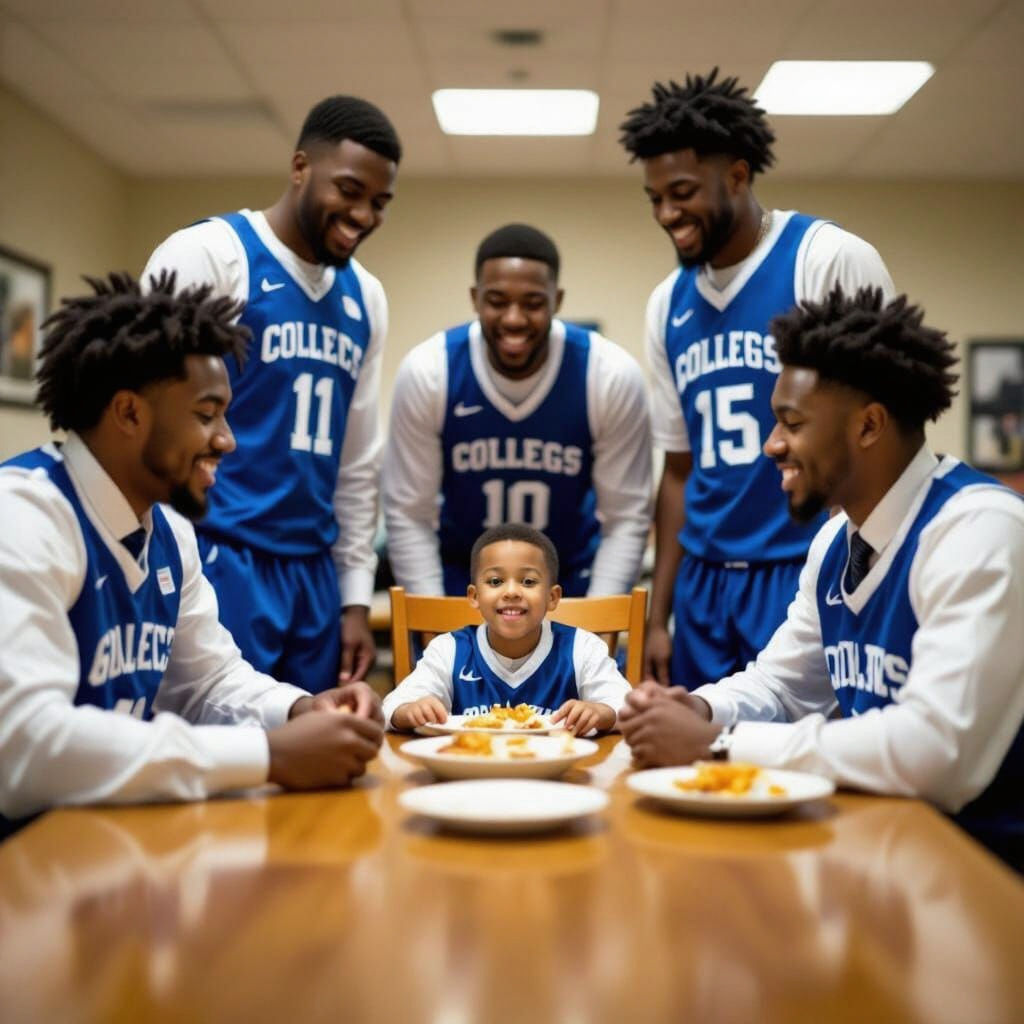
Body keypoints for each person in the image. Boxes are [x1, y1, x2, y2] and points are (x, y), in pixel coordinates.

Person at [620, 286, 1024, 868]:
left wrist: (722, 745)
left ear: (868, 426)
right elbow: (783, 687)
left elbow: (938, 752)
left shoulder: (978, 530)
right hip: (879, 852)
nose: (771, 444)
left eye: (792, 422)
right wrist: (697, 711)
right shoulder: (836, 540)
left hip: (982, 875)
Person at [0, 273, 384, 825]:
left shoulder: (170, 531)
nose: (227, 439)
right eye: (206, 415)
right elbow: (26, 747)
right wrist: (269, 756)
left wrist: (300, 710)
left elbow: (207, 680)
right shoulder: (26, 517)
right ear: (130, 413)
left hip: (104, 839)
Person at [619, 68, 895, 689]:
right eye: (656, 198)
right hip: (703, 582)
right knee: (697, 762)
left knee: (805, 764)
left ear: (738, 175)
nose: (667, 213)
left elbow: (884, 436)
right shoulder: (667, 303)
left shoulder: (825, 259)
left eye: (683, 192)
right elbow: (679, 471)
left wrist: (867, 573)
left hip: (803, 563)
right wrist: (657, 614)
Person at [142, 95, 401, 692]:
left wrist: (355, 600)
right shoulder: (211, 254)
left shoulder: (367, 296)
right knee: (224, 749)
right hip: (220, 551)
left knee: (316, 753)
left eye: (380, 202)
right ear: (300, 166)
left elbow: (357, 465)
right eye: (350, 189)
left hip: (314, 573)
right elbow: (150, 429)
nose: (363, 213)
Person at [383, 223, 652, 598]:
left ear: (556, 301)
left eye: (532, 303)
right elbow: (409, 514)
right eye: (497, 301)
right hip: (462, 583)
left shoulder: (608, 374)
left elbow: (626, 519)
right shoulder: (430, 370)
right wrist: (433, 624)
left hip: (569, 582)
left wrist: (598, 629)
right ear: (475, 298)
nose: (513, 318)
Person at [382, 524, 631, 735]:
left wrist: (601, 712)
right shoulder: (449, 650)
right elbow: (389, 708)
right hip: (469, 775)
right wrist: (408, 711)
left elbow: (626, 706)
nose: (511, 592)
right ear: (474, 596)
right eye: (495, 581)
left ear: (552, 597)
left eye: (529, 582)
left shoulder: (581, 647)